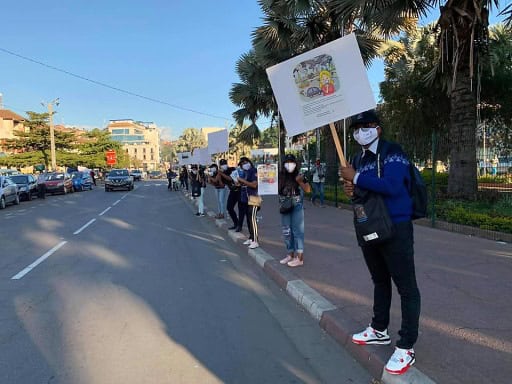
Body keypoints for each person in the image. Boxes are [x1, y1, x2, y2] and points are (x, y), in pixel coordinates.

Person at [338, 109, 421, 376]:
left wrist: (357, 178)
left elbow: (393, 185)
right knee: (380, 280)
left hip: (396, 226)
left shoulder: (392, 152)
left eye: (367, 126)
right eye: (357, 128)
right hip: (369, 225)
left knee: (406, 286)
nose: (362, 131)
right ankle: (379, 328)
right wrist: (351, 187)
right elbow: (361, 191)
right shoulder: (356, 158)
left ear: (378, 129)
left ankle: (406, 345)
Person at [278, 154, 310, 267]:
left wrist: (300, 181)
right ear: (283, 164)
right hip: (284, 204)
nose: (289, 164)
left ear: (295, 164)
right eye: (287, 162)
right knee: (286, 230)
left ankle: (299, 257)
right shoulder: (280, 175)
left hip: (296, 204)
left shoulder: (299, 174)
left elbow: (308, 189)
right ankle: (290, 254)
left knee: (297, 231)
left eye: (292, 162)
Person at [237, 157, 259, 248]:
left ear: (249, 162)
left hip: (254, 197)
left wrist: (242, 181)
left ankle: (255, 240)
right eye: (242, 164)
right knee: (249, 218)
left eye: (245, 163)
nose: (244, 165)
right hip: (246, 198)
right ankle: (251, 237)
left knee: (252, 218)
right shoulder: (245, 173)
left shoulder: (253, 171)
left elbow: (254, 184)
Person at [217, 159, 240, 230]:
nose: (224, 165)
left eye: (225, 164)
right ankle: (236, 223)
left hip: (240, 190)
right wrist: (219, 176)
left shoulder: (232, 169)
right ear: (220, 166)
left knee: (242, 209)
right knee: (229, 208)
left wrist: (222, 174)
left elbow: (231, 179)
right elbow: (222, 185)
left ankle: (240, 225)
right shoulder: (221, 173)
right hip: (232, 191)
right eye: (222, 164)